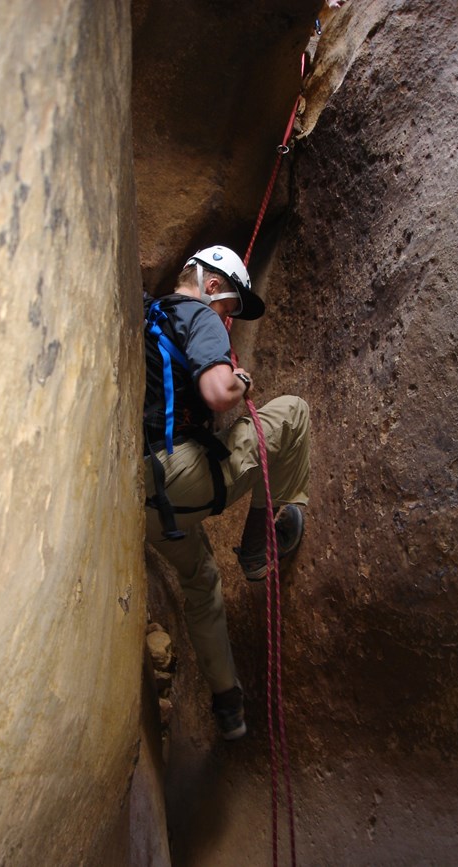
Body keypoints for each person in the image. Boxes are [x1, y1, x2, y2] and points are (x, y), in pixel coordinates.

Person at [143, 245, 310, 740]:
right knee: (294, 413)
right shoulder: (199, 314)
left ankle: (227, 700)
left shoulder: (150, 317)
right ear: (211, 285)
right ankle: (263, 540)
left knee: (201, 576)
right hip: (175, 479)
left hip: (142, 503)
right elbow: (218, 392)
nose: (229, 322)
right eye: (230, 307)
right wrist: (238, 378)